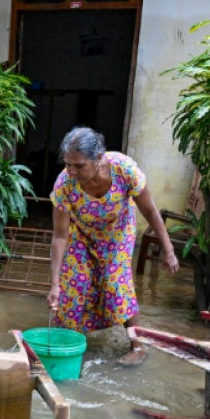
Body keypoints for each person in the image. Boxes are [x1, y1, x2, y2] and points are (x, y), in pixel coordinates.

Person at [47, 127, 179, 366]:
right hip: (81, 236)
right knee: (74, 288)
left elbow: (149, 211)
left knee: (116, 285)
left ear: (98, 159)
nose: (71, 171)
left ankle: (138, 345)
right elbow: (59, 236)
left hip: (117, 233)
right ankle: (73, 343)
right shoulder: (64, 184)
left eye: (79, 165)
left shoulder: (124, 170)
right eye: (68, 164)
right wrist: (55, 283)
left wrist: (168, 250)